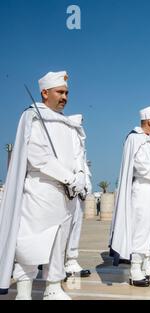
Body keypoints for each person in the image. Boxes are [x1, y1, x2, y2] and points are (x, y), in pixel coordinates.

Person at [0, 71, 87, 300]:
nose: (65, 97)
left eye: (67, 92)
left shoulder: (70, 125)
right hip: (41, 189)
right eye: (60, 92)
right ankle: (24, 292)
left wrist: (80, 176)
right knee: (32, 241)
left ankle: (53, 287)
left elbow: (78, 155)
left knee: (59, 243)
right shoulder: (34, 117)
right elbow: (38, 156)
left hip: (66, 195)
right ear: (45, 93)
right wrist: (68, 177)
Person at [109, 106, 150, 287]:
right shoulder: (135, 139)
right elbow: (141, 165)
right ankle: (136, 268)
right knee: (142, 229)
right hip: (144, 190)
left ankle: (148, 264)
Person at [64, 114, 92, 279]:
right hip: (69, 189)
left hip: (80, 192)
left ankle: (72, 260)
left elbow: (83, 166)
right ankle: (60, 264)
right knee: (65, 229)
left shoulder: (80, 143)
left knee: (76, 227)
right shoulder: (68, 138)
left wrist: (86, 184)